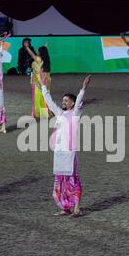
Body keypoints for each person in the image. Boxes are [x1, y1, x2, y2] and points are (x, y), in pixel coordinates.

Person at [40, 72, 91, 217]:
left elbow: (80, 101)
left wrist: (83, 88)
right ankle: (65, 207)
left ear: (72, 103)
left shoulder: (75, 114)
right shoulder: (60, 114)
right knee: (60, 181)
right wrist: (44, 86)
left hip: (70, 152)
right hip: (59, 151)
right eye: (63, 100)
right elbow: (49, 102)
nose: (63, 102)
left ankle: (77, 208)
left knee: (72, 179)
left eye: (66, 100)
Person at [24, 42, 51, 118]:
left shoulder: (38, 59)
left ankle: (39, 113)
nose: (37, 51)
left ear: (41, 53)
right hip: (45, 80)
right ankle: (44, 112)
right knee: (43, 97)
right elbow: (45, 51)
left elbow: (32, 55)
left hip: (38, 80)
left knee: (37, 97)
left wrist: (27, 47)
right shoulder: (46, 59)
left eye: (38, 50)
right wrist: (45, 46)